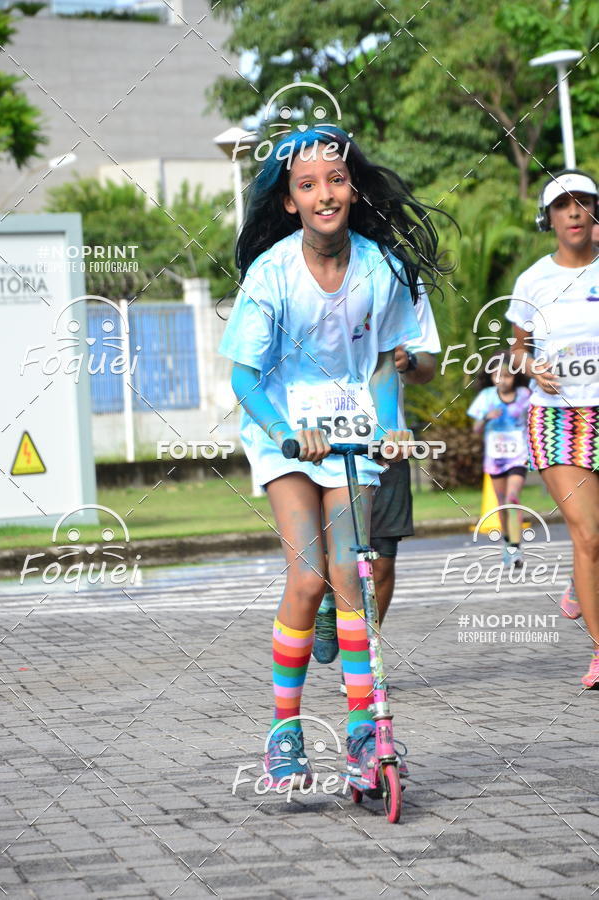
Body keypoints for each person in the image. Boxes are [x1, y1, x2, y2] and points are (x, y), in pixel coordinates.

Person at [219, 125, 450, 785]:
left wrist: (396, 422)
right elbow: (243, 378)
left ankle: (359, 732)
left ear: (352, 187)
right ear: (290, 200)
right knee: (307, 578)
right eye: (308, 184)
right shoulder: (272, 273)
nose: (326, 193)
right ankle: (283, 730)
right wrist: (288, 432)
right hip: (284, 436)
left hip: (351, 435)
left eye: (336, 180)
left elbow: (387, 360)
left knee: (352, 579)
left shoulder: (382, 269)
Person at [312, 282, 441, 668]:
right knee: (326, 556)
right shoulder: (304, 275)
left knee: (382, 560)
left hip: (387, 444)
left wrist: (410, 363)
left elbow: (427, 366)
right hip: (320, 442)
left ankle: (365, 661)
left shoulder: (405, 283)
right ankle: (327, 599)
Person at [507, 168, 599, 688]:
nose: (573, 212)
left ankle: (578, 580)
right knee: (587, 534)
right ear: (549, 218)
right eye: (562, 205)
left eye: (582, 203)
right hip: (558, 417)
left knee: (596, 540)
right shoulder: (533, 280)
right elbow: (517, 349)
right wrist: (528, 366)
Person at [467, 354, 531, 566]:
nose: (502, 379)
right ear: (492, 377)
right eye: (497, 375)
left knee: (513, 498)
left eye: (506, 375)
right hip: (495, 459)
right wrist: (485, 418)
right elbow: (475, 430)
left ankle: (516, 548)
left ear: (515, 377)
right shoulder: (486, 397)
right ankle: (507, 541)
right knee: (503, 505)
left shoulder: (524, 395)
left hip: (518, 457)